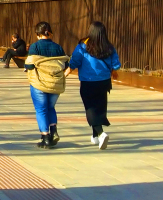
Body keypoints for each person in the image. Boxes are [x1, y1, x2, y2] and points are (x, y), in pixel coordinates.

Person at [68, 21, 121, 150]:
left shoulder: (83, 46)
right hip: (104, 82)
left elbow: (75, 60)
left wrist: (67, 71)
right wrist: (114, 71)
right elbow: (116, 63)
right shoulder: (109, 47)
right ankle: (95, 136)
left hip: (88, 82)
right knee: (99, 107)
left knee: (90, 109)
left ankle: (101, 133)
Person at [24, 21, 69, 149]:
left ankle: (45, 137)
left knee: (41, 109)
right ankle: (53, 130)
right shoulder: (58, 47)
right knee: (51, 108)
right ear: (50, 33)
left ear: (37, 34)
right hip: (55, 84)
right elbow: (65, 65)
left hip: (40, 83)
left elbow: (29, 65)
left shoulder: (35, 47)